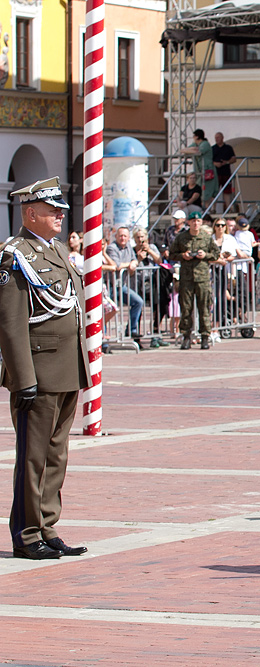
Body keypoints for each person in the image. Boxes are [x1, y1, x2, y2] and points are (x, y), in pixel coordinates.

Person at [0, 178, 91, 560]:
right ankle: (26, 533)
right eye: (52, 210)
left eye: (61, 210)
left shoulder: (54, 252)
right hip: (38, 371)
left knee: (56, 456)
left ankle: (47, 526)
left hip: (66, 368)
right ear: (30, 213)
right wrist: (22, 379)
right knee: (33, 456)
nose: (60, 216)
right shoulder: (14, 255)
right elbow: (10, 322)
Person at [169, 212, 220, 350]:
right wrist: (183, 256)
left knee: (204, 307)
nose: (195, 223)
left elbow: (216, 254)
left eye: (198, 221)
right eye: (193, 221)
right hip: (187, 277)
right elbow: (171, 253)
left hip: (202, 277)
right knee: (186, 308)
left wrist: (205, 255)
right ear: (188, 222)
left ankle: (205, 337)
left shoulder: (206, 237)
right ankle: (186, 336)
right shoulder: (182, 238)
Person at [106, 226, 145, 347]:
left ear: (128, 238)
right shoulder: (112, 248)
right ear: (116, 236)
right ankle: (104, 342)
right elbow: (116, 265)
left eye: (125, 236)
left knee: (138, 301)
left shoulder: (128, 247)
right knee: (106, 311)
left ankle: (132, 329)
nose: (123, 238)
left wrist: (133, 262)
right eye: (120, 236)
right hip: (109, 286)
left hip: (121, 285)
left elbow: (134, 260)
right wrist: (130, 264)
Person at [180, 129, 217, 206]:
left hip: (207, 171)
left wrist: (191, 150)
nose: (193, 138)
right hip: (199, 171)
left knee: (207, 190)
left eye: (194, 136)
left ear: (197, 137)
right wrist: (191, 149)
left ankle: (208, 209)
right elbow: (183, 150)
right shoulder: (195, 145)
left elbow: (198, 152)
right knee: (200, 189)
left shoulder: (205, 144)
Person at [212, 132, 237, 210]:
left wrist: (226, 162)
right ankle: (213, 208)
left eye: (218, 137)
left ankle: (229, 207)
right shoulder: (212, 148)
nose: (216, 139)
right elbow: (208, 160)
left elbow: (233, 159)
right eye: (215, 137)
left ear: (222, 138)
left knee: (227, 191)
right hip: (215, 174)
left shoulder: (228, 148)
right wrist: (215, 164)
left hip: (226, 172)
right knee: (214, 191)